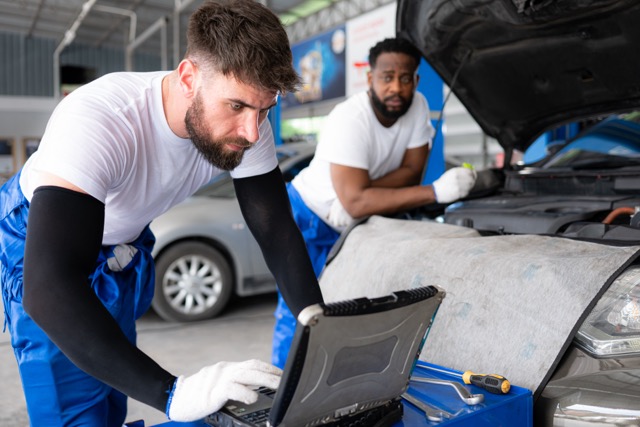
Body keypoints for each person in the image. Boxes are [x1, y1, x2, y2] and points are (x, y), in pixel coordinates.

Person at [0, 0, 324, 425]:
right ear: (189, 77)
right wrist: (172, 393)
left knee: (113, 381)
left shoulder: (250, 123)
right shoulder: (101, 120)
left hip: (123, 241)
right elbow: (48, 287)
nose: (252, 130)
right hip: (41, 239)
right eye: (237, 107)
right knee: (78, 410)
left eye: (265, 109)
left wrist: (315, 321)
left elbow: (275, 227)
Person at [272, 37, 477, 368]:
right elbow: (358, 201)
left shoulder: (419, 107)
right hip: (307, 214)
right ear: (370, 79)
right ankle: (282, 389)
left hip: (354, 220)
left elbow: (410, 173)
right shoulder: (349, 119)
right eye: (387, 77)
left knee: (352, 306)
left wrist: (365, 194)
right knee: (301, 309)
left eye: (405, 77)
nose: (396, 87)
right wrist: (435, 192)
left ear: (416, 80)